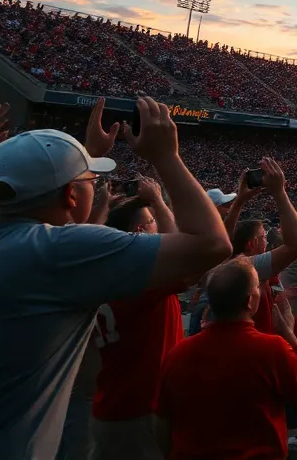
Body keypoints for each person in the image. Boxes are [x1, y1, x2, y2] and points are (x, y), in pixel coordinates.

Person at [0, 97, 231, 458]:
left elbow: (53, 207)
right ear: (71, 194)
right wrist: (166, 157)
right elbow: (212, 244)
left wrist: (78, 157)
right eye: (90, 177)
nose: (97, 182)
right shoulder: (60, 251)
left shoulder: (31, 246)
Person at [156, 257, 297, 459]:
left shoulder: (177, 354)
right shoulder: (271, 349)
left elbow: (162, 424)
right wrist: (290, 335)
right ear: (250, 300)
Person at [90, 181, 184, 460]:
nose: (157, 223)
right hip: (141, 410)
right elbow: (183, 251)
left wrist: (104, 206)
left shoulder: (100, 271)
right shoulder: (141, 279)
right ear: (139, 231)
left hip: (110, 404)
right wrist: (157, 199)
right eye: (152, 220)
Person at [228, 159, 297, 334]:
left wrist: (239, 201)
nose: (266, 240)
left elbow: (222, 245)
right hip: (256, 348)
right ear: (251, 243)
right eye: (263, 236)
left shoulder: (224, 266)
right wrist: (280, 193)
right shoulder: (245, 267)